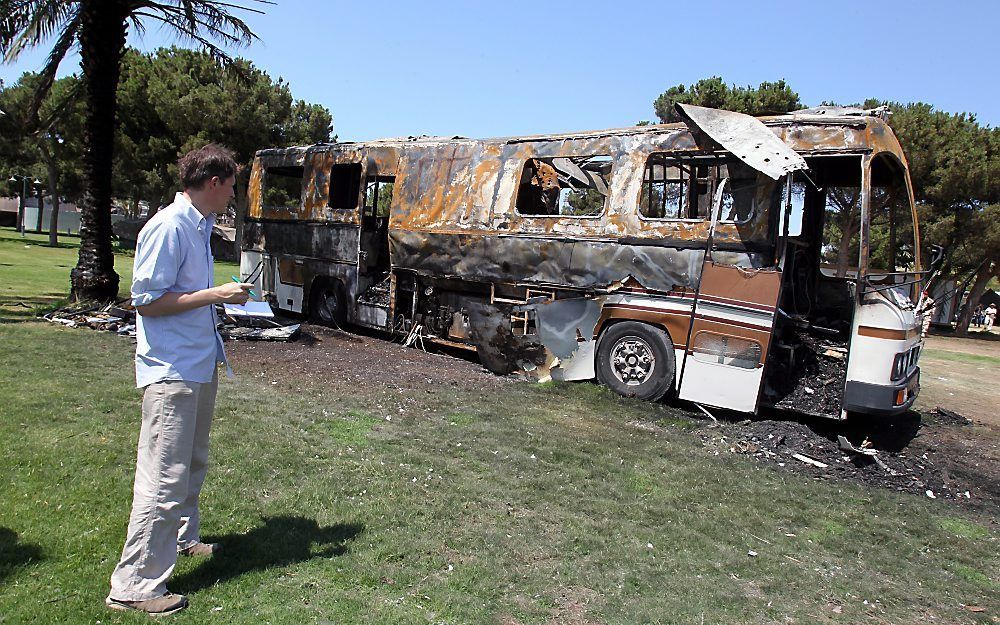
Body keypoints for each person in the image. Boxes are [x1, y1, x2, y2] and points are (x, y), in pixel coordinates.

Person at [106, 145, 253, 616]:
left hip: (198, 364)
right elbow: (146, 300)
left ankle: (185, 538)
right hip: (171, 373)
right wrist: (217, 293)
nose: (234, 193)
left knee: (191, 461)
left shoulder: (199, 225)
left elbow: (179, 293)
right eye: (232, 184)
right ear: (214, 183)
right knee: (163, 477)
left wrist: (216, 297)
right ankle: (134, 585)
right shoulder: (169, 227)